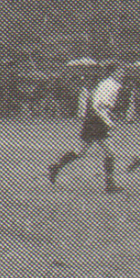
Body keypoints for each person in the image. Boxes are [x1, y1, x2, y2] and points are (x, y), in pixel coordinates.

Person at [48, 63, 126, 193]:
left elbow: (100, 105)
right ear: (113, 73)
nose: (122, 74)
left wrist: (107, 119)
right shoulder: (110, 85)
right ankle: (110, 185)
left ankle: (56, 167)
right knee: (110, 152)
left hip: (95, 120)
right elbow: (98, 105)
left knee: (82, 151)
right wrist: (108, 122)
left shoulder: (110, 84)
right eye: (120, 71)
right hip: (97, 121)